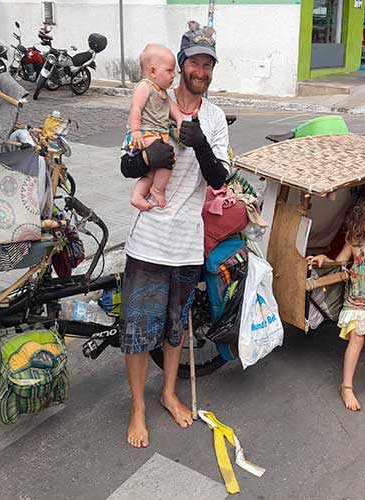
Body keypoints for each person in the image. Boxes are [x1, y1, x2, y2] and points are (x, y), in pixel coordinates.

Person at [118, 21, 229, 448]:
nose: (201, 70)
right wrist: (148, 154)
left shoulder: (215, 118)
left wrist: (200, 143)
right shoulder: (153, 101)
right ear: (179, 65)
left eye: (208, 64)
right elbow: (126, 164)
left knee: (173, 328)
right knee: (136, 327)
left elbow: (219, 178)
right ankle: (138, 408)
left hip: (186, 242)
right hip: (149, 240)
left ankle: (167, 394)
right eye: (194, 62)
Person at [306, 191, 365, 412]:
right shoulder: (354, 243)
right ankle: (346, 386)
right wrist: (324, 259)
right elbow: (338, 264)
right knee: (358, 337)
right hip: (355, 304)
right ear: (360, 219)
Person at [126, 43, 184, 211]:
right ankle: (158, 190)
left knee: (151, 173)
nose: (173, 75)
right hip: (144, 133)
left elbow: (173, 108)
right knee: (168, 157)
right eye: (169, 70)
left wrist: (180, 121)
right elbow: (135, 108)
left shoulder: (163, 92)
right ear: (152, 71)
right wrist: (135, 131)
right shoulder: (145, 86)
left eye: (174, 71)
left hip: (157, 134)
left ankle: (138, 195)